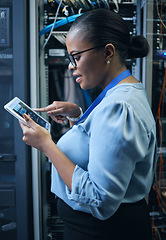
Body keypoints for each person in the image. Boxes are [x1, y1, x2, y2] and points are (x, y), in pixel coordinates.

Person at [19, 8, 157, 240]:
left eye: (76, 57)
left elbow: (99, 200)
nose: (71, 66)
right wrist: (78, 116)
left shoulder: (118, 107)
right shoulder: (123, 92)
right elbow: (104, 145)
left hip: (100, 232)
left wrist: (47, 145)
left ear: (108, 52)